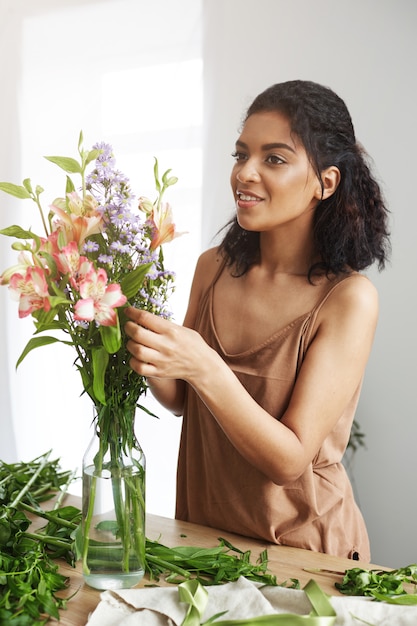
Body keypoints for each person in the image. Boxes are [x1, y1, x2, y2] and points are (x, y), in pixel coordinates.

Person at [125, 80, 390, 561]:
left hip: (306, 557)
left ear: (324, 183)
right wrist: (137, 336)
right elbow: (182, 398)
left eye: (274, 158)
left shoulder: (349, 299)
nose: (245, 173)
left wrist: (203, 363)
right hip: (205, 544)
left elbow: (289, 459)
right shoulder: (214, 267)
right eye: (240, 154)